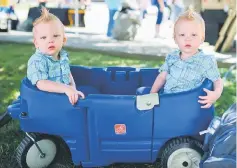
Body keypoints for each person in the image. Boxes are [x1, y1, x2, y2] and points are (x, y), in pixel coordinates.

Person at [150, 7, 223, 108]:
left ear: (202, 38)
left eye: (193, 35)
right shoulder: (172, 57)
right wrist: (152, 94)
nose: (188, 39)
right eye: (182, 35)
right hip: (167, 101)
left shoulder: (206, 61)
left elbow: (217, 80)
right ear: (175, 39)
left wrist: (216, 94)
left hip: (189, 106)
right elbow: (162, 77)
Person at [27, 7, 85, 105]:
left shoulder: (63, 56)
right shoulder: (37, 61)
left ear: (63, 40)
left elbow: (68, 74)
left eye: (55, 36)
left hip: (63, 98)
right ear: (36, 43)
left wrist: (72, 89)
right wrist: (66, 89)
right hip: (46, 102)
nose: (50, 40)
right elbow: (42, 83)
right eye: (44, 37)